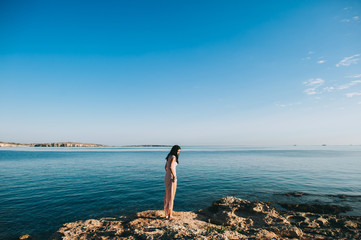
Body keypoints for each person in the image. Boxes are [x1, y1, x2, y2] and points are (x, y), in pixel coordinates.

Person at [164, 145, 181, 220]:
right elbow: (170, 167)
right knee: (171, 196)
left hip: (167, 176)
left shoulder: (169, 156)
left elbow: (166, 167)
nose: (178, 153)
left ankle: (166, 214)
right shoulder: (173, 157)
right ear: (175, 151)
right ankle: (170, 215)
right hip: (171, 177)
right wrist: (174, 175)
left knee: (167, 195)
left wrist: (168, 173)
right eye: (178, 151)